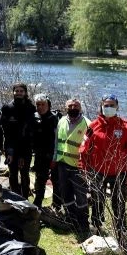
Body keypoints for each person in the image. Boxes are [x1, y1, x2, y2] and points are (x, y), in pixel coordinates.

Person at [79, 94, 127, 243]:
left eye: (112, 105)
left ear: (117, 107)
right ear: (101, 106)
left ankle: (122, 232)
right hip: (97, 171)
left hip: (119, 172)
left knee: (118, 203)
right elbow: (84, 149)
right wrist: (84, 169)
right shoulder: (93, 126)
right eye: (106, 105)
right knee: (97, 200)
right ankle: (96, 226)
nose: (109, 108)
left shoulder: (126, 127)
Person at [53, 99, 90, 237]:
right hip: (62, 163)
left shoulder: (87, 123)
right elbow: (57, 141)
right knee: (65, 193)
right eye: (70, 106)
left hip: (78, 166)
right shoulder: (61, 120)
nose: (73, 108)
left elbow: (90, 147)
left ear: (80, 108)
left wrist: (86, 166)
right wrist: (54, 158)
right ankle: (71, 218)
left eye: (76, 106)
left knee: (81, 196)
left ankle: (83, 224)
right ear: (65, 107)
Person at [2, 82, 36, 198]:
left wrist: (23, 154)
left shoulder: (31, 108)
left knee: (25, 174)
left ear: (25, 93)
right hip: (11, 147)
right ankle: (14, 199)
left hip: (25, 148)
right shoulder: (7, 108)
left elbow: (31, 133)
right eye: (16, 91)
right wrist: (9, 151)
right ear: (13, 92)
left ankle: (25, 199)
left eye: (21, 91)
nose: (19, 93)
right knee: (12, 174)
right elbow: (6, 132)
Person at [31, 93, 62, 208]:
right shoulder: (34, 118)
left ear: (48, 105)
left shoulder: (54, 118)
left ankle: (57, 205)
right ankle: (38, 203)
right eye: (38, 104)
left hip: (54, 155)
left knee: (56, 181)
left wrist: (55, 157)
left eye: (43, 104)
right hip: (40, 155)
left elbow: (58, 140)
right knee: (40, 180)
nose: (40, 107)